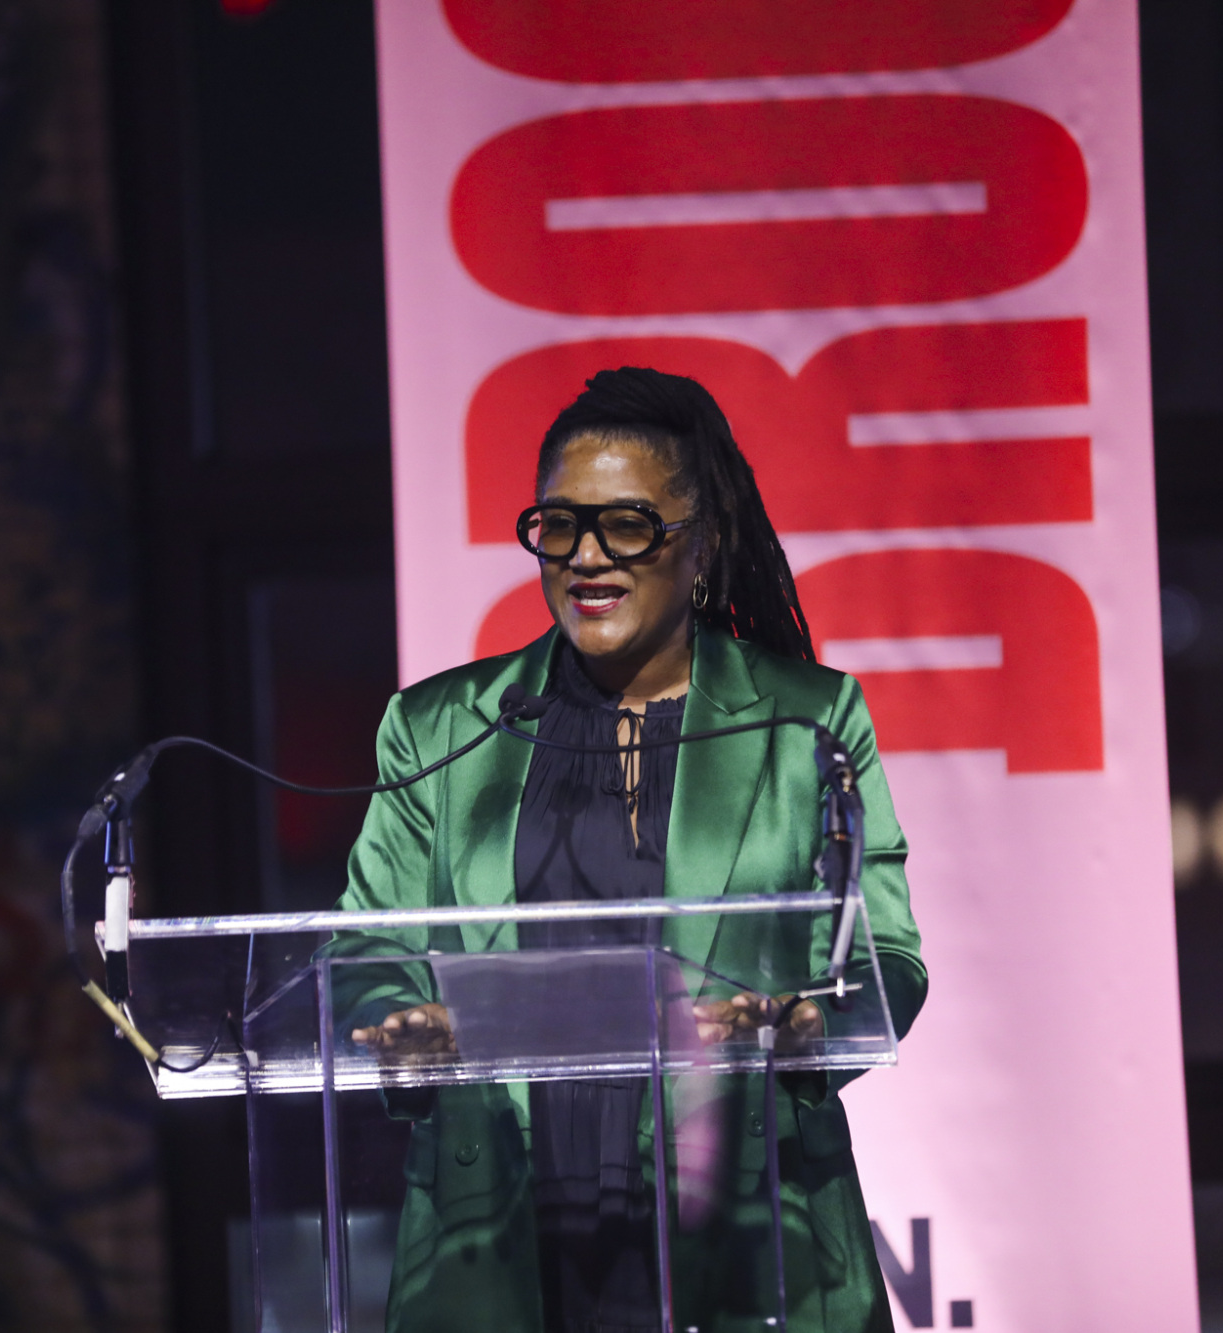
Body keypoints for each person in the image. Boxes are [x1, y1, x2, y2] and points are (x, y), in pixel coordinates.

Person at [334, 367, 926, 1333]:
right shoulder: (440, 727)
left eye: (628, 524)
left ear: (703, 546)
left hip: (745, 1223)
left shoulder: (809, 720)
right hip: (504, 1236)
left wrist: (806, 1024)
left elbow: (885, 961)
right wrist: (404, 1025)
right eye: (559, 525)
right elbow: (361, 954)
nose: (587, 555)